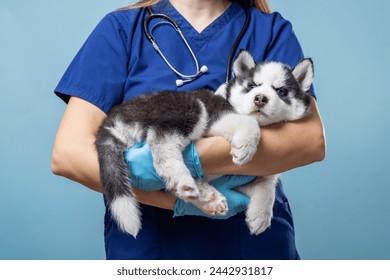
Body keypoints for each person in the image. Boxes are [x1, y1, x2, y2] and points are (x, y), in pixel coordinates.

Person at [51, 0, 325, 259]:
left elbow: (309, 141)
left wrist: (189, 159)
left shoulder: (269, 30)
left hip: (256, 250)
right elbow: (68, 155)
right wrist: (178, 200)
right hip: (153, 254)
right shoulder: (122, 29)